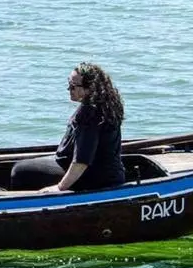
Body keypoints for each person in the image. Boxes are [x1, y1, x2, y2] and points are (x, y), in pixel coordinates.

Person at [10, 62, 126, 192]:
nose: (68, 89)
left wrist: (60, 187)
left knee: (19, 171)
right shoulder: (107, 105)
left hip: (92, 178)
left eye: (73, 86)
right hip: (110, 174)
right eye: (69, 84)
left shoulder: (89, 115)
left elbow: (82, 161)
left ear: (89, 88)